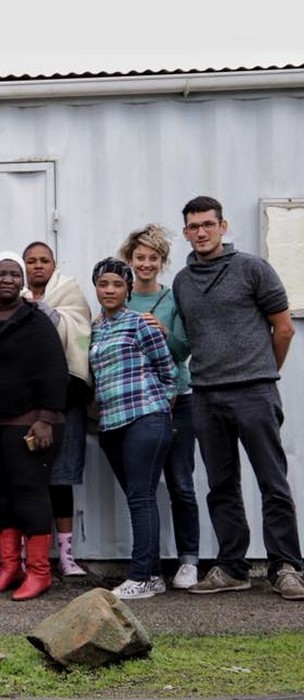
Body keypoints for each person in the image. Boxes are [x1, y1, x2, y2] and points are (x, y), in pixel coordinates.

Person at [173, 195, 304, 601]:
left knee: (272, 482)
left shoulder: (253, 269)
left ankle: (286, 566)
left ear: (223, 226)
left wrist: (265, 374)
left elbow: (283, 329)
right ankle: (233, 567)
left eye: (208, 224)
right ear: (185, 232)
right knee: (221, 484)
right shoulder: (181, 281)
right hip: (206, 396)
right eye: (193, 226)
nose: (201, 232)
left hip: (254, 390)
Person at [0, 253, 68, 601]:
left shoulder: (36, 321)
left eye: (14, 274)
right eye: (1, 273)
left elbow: (55, 369)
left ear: (22, 282)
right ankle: (9, 567)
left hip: (27, 423)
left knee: (30, 494)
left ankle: (39, 572)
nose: (7, 279)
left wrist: (46, 418)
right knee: (0, 495)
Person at [118, 225, 200, 589]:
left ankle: (189, 560)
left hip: (177, 400)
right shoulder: (119, 296)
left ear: (163, 262)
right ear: (129, 260)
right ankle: (148, 567)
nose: (146, 264)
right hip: (137, 404)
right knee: (143, 488)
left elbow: (185, 350)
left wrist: (165, 333)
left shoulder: (172, 299)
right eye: (140, 257)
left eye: (153, 258)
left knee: (181, 482)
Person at [90, 257, 176, 600]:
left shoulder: (139, 323)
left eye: (117, 284)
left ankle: (140, 577)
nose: (109, 290)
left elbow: (167, 371)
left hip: (146, 417)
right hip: (111, 423)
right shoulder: (96, 328)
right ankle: (153, 576)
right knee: (138, 498)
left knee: (141, 497)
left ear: (128, 289)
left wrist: (159, 408)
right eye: (103, 284)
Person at [21, 241, 93, 577]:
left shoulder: (69, 292)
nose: (38, 266)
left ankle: (66, 557)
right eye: (31, 261)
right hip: (26, 403)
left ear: (54, 264)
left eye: (44, 260)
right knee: (27, 479)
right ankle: (26, 557)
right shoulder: (11, 295)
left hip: (66, 398)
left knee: (61, 477)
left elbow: (78, 329)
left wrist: (40, 310)